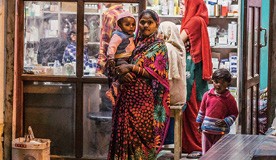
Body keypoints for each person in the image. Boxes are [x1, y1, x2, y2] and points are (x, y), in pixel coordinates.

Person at [107, 9, 170, 159]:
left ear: (156, 25)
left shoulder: (159, 46)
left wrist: (131, 68)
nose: (146, 25)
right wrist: (120, 75)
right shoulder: (131, 42)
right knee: (123, 138)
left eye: (150, 22)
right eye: (142, 22)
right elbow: (113, 64)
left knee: (141, 141)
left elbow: (157, 73)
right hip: (125, 99)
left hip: (143, 102)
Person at [179, 0, 213, 158]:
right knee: (197, 106)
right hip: (196, 70)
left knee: (192, 107)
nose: (182, 8)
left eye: (184, 4)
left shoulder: (194, 21)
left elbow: (178, 41)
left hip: (191, 70)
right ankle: (194, 145)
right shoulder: (200, 20)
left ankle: (195, 145)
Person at [196, 68, 238, 155]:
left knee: (219, 153)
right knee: (206, 153)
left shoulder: (229, 98)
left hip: (221, 132)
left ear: (228, 83)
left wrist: (226, 121)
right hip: (206, 130)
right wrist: (199, 124)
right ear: (212, 81)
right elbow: (202, 110)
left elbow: (234, 113)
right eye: (216, 82)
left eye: (222, 83)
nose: (219, 85)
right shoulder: (207, 95)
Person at [105, 11, 136, 106]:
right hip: (121, 59)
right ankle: (113, 89)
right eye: (127, 24)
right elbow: (112, 47)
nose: (131, 27)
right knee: (125, 73)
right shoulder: (118, 35)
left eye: (133, 24)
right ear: (120, 25)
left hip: (128, 58)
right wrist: (111, 58)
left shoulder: (131, 35)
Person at [157, 21, 186, 105]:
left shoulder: (167, 48)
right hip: (179, 94)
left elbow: (170, 76)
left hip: (171, 96)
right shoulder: (177, 47)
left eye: (160, 32)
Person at [96, 3, 124, 76]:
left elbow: (105, 42)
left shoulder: (110, 15)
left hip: (112, 63)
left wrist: (100, 69)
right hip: (124, 64)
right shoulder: (124, 13)